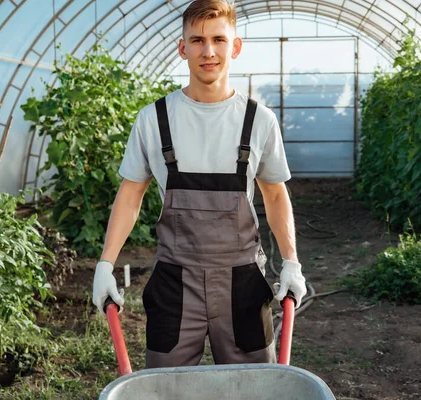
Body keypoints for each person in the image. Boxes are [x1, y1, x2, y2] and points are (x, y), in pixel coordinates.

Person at [92, 0, 307, 368]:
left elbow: (274, 194)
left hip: (241, 283)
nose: (208, 52)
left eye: (218, 39)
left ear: (235, 47)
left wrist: (291, 262)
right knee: (166, 389)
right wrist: (104, 265)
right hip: (175, 282)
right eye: (197, 40)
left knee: (253, 389)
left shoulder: (259, 121)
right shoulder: (153, 120)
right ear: (182, 47)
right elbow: (131, 195)